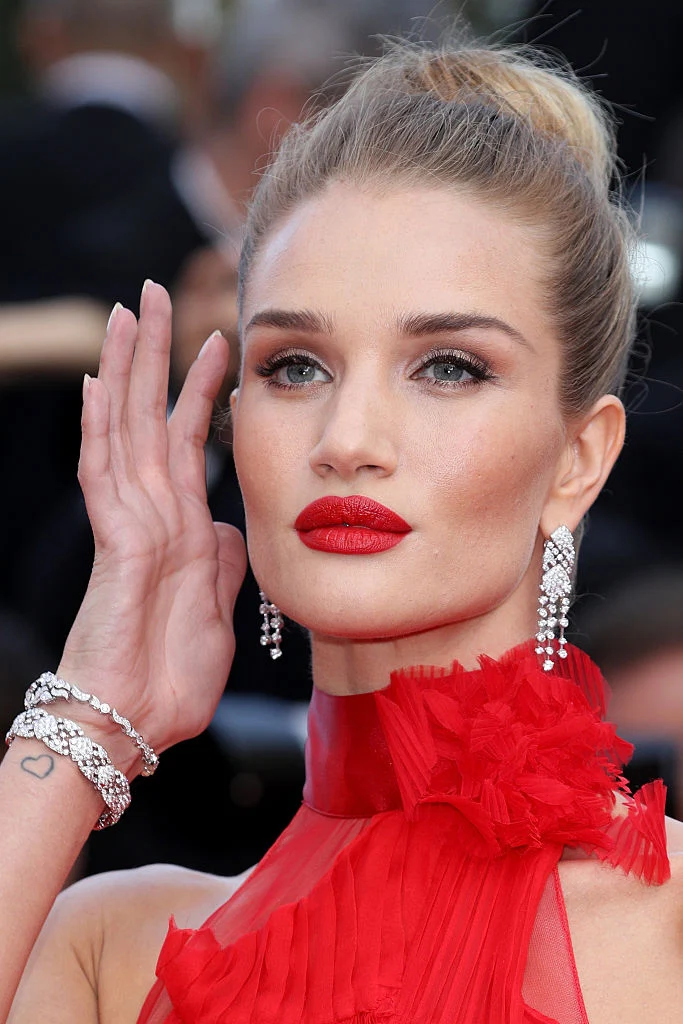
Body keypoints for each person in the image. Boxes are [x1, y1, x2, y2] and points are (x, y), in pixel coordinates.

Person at [2, 35, 683, 1024]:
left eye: (448, 365)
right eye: (295, 366)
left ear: (578, 456)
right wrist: (89, 717)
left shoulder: (667, 929)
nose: (346, 439)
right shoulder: (114, 946)